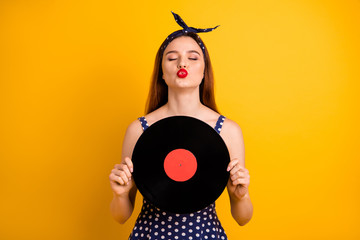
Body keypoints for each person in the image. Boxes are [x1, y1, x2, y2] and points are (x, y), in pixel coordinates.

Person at [109, 12, 253, 239]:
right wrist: (120, 194)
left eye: (193, 57)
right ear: (162, 73)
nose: (182, 63)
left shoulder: (228, 131)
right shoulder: (138, 130)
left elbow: (243, 218)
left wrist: (240, 196)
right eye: (172, 57)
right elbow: (120, 216)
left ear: (205, 72)